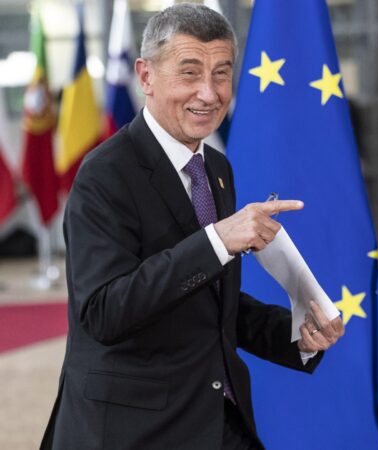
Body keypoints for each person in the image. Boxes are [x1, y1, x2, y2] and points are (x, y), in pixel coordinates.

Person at [40, 4, 344, 449]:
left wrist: (296, 334)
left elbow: (207, 302)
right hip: (133, 430)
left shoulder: (215, 167)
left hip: (215, 415)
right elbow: (104, 312)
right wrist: (217, 240)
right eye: (189, 73)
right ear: (145, 76)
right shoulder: (103, 174)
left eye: (221, 74)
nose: (209, 93)